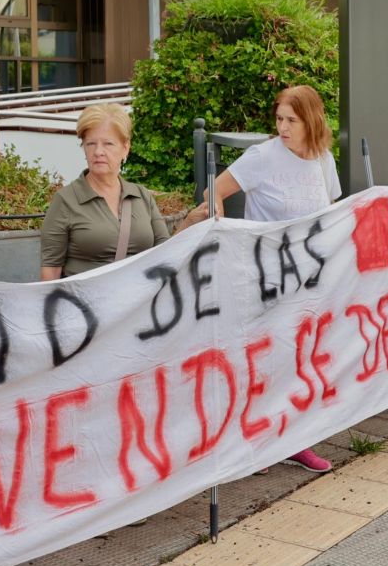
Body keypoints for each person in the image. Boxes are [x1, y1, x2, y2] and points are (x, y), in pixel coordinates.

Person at [181, 86, 339, 472]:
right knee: (262, 361)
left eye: (291, 120)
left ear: (311, 121)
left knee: (299, 360)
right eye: (279, 119)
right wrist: (218, 221)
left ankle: (295, 440)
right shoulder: (262, 156)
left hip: (308, 280)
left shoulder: (323, 159)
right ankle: (254, 444)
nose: (282, 128)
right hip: (263, 278)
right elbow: (214, 191)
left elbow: (331, 213)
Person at [40, 103, 170, 278]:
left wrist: (191, 221)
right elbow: (50, 271)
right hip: (85, 295)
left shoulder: (141, 195)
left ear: (125, 148)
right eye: (91, 144)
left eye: (108, 144)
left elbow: (166, 251)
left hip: (141, 294)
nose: (98, 151)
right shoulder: (66, 200)